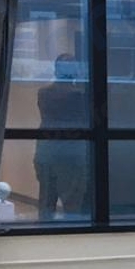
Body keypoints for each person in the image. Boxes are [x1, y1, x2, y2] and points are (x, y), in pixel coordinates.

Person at [34, 52, 88, 219]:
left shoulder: (44, 93)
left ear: (56, 71)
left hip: (47, 153)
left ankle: (44, 231)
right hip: (71, 154)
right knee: (72, 205)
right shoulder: (80, 96)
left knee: (46, 203)